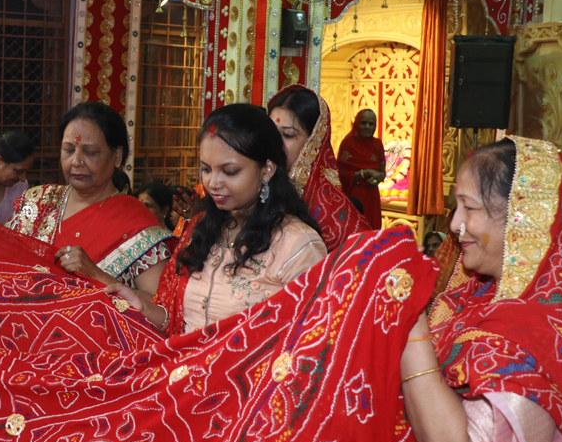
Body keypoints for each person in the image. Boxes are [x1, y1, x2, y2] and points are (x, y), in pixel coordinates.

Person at [395, 138, 562, 442]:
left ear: (524, 221)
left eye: (469, 208)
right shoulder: (474, 295)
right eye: (456, 206)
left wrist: (410, 318)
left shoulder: (537, 335)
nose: (455, 223)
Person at [108, 103, 328, 335]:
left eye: (230, 171)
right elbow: (175, 322)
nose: (213, 183)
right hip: (185, 357)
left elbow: (313, 337)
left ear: (267, 169)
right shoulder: (200, 228)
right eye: (206, 169)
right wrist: (141, 304)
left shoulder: (298, 244)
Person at [7, 101, 174, 291]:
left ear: (117, 156)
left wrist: (97, 275)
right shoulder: (39, 201)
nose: (76, 161)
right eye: (69, 150)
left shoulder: (137, 224)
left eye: (90, 152)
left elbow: (159, 305)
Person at [267, 85, 371, 251]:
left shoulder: (339, 218)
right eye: (270, 133)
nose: (274, 143)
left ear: (315, 142)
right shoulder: (253, 192)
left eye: (288, 135)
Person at [337, 108, 386, 229]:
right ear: (357, 123)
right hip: (353, 196)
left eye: (371, 124)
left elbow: (382, 173)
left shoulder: (377, 144)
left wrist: (377, 179)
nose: (367, 127)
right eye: (363, 123)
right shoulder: (348, 143)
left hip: (372, 197)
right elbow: (340, 174)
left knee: (371, 231)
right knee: (355, 230)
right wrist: (366, 173)